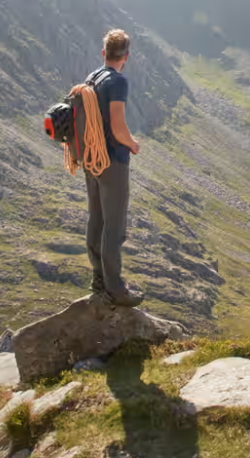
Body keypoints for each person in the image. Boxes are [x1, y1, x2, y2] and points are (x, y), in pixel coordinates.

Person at [85, 29, 144, 306]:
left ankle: (99, 281)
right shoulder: (117, 81)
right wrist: (132, 143)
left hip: (91, 158)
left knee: (96, 218)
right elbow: (118, 126)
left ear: (104, 53)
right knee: (114, 225)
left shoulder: (93, 78)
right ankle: (116, 289)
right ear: (126, 56)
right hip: (112, 162)